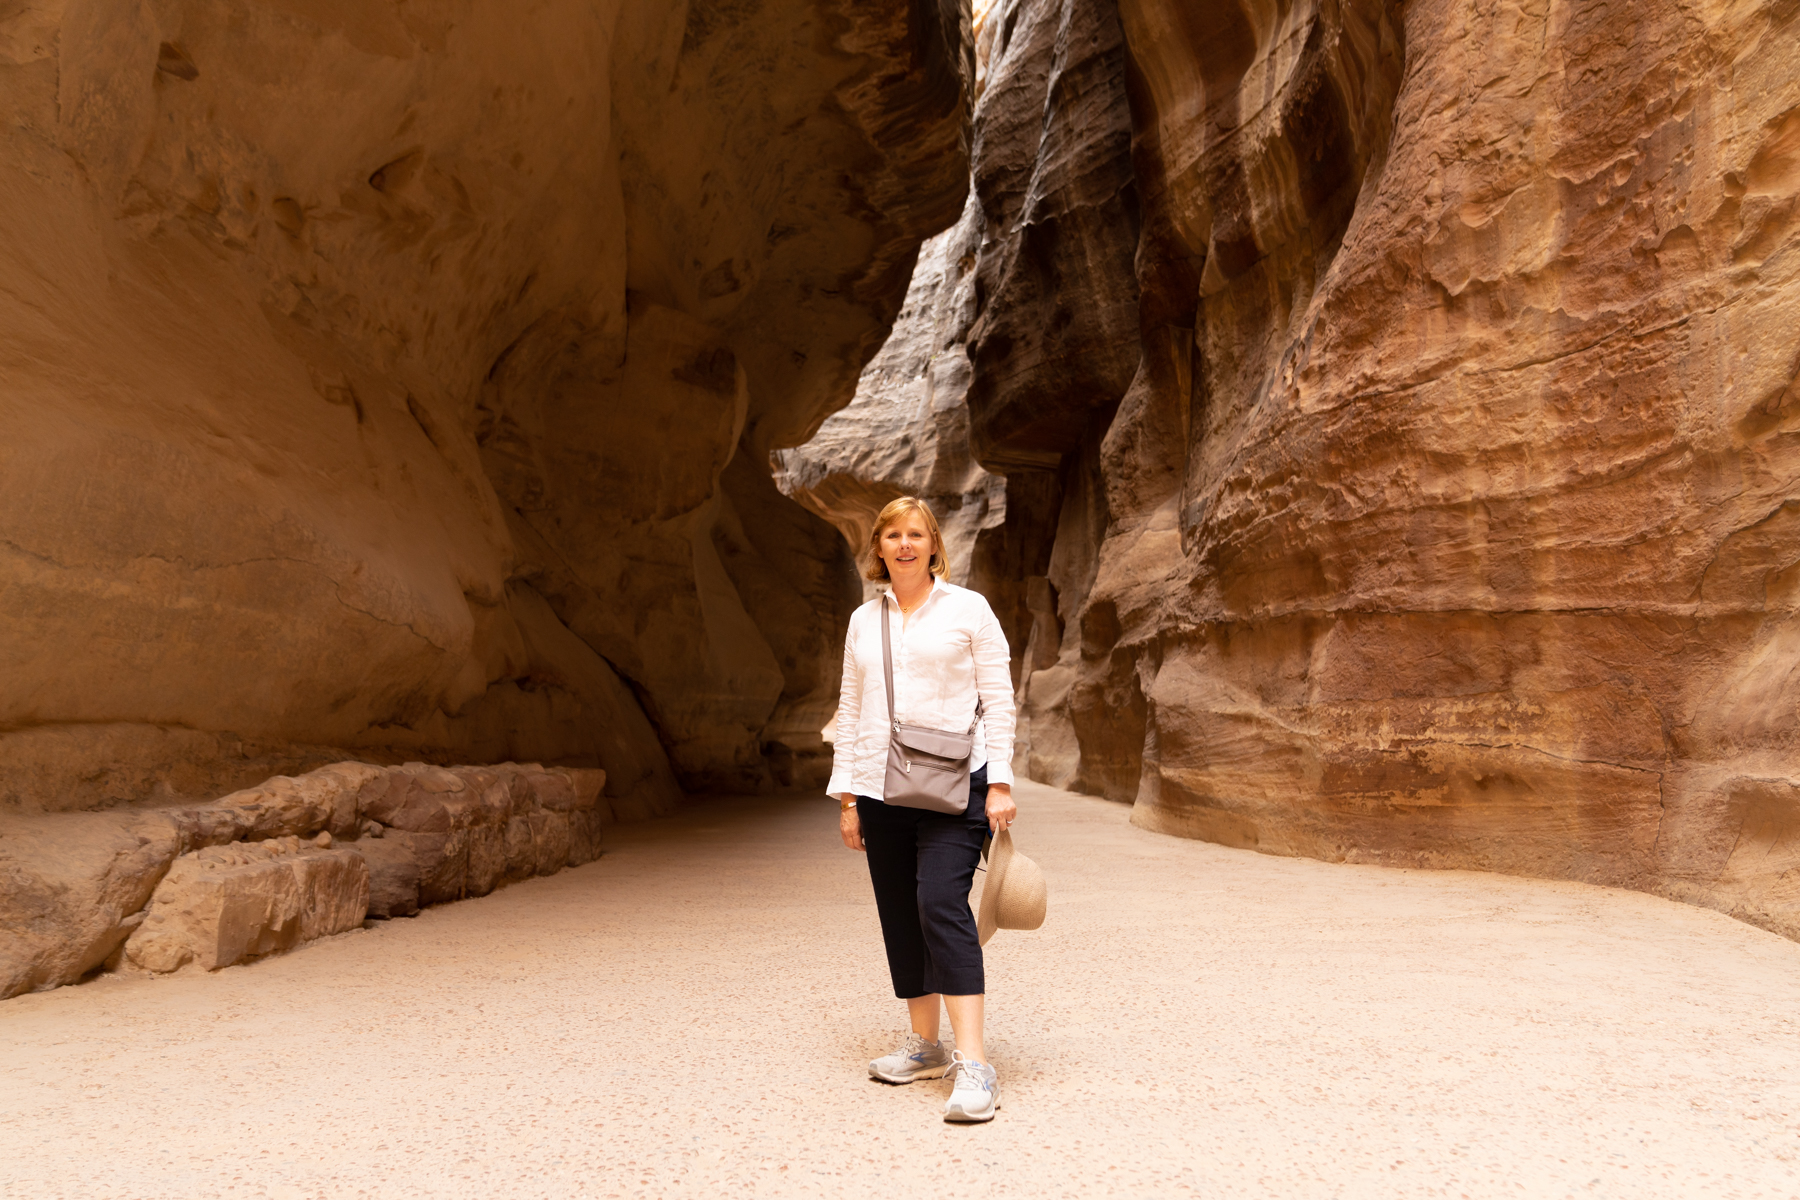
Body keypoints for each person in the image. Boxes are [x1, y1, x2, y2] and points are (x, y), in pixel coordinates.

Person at [828, 495, 1018, 1123]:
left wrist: (1001, 782)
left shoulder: (969, 609)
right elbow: (851, 710)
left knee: (940, 902)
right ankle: (926, 1047)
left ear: (934, 545)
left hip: (958, 784)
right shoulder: (864, 620)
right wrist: (849, 795)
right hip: (882, 790)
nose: (905, 545)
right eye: (893, 535)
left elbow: (998, 699)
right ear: (878, 546)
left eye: (916, 534)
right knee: (900, 912)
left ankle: (975, 1064)